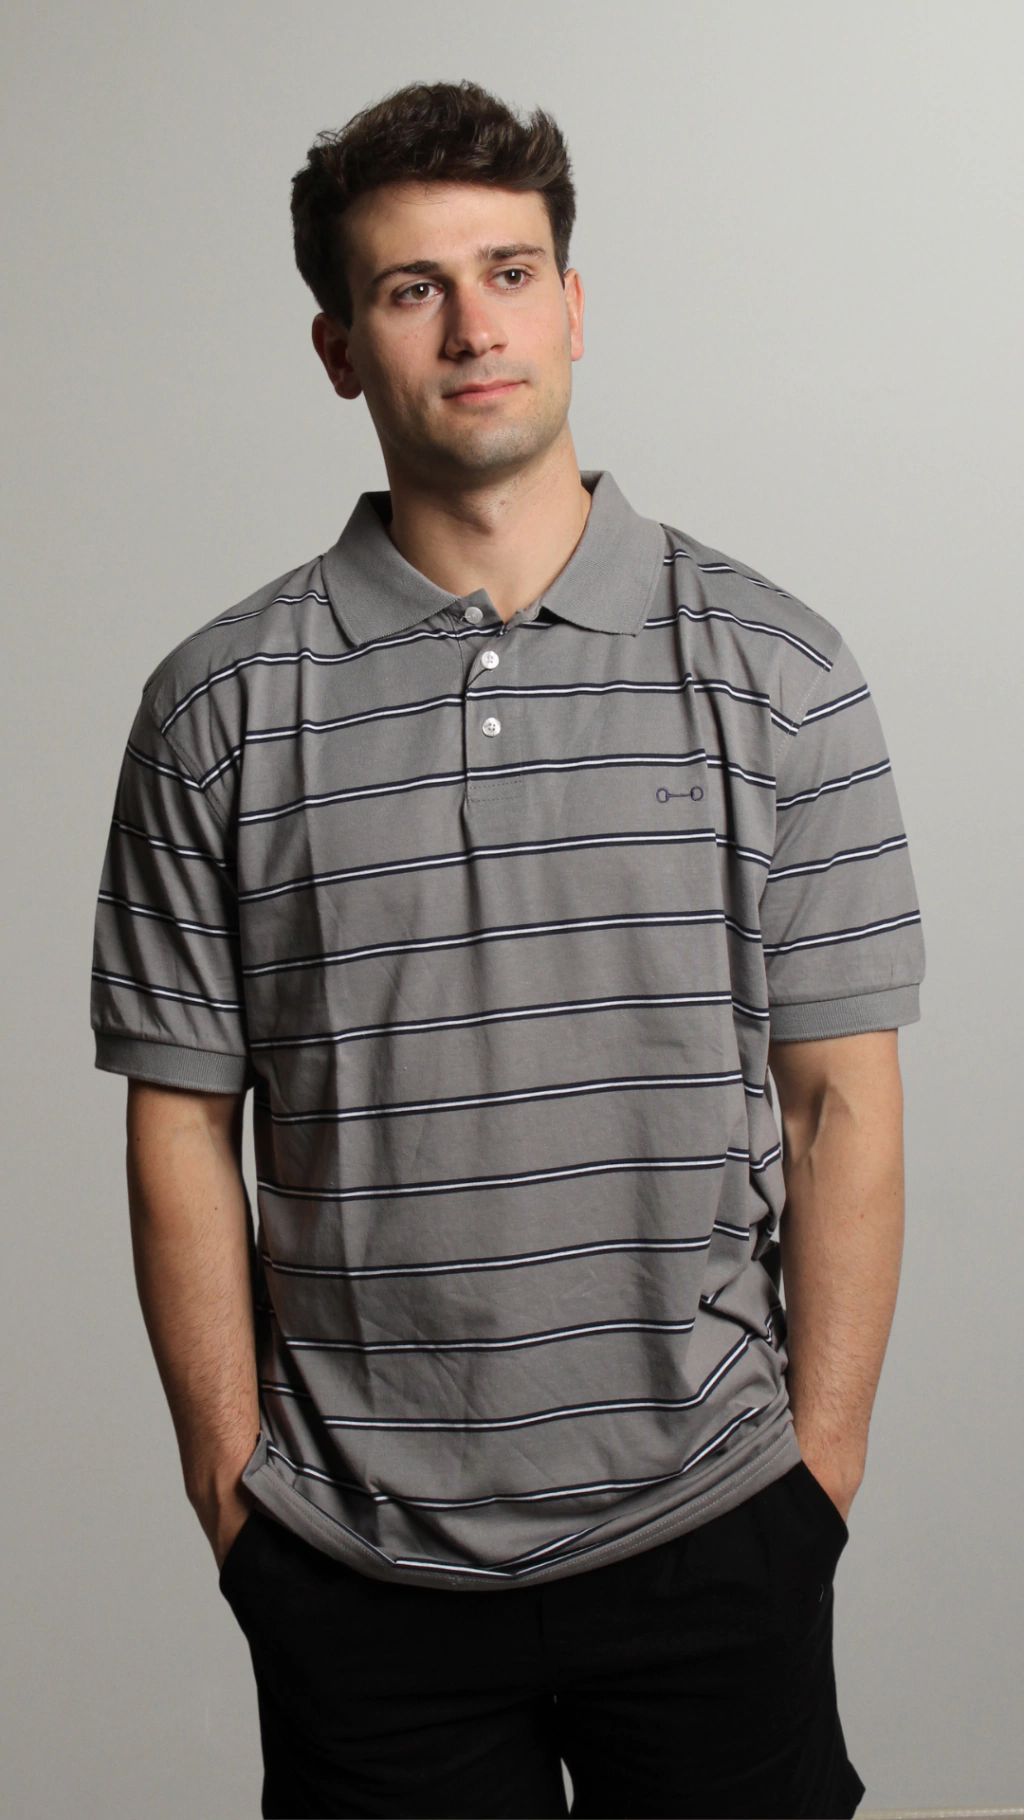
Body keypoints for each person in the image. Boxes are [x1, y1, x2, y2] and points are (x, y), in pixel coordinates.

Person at [91, 80, 924, 1819]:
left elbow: (840, 1102)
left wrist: (820, 1478)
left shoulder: (782, 670)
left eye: (510, 272)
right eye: (414, 289)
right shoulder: (215, 710)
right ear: (340, 349)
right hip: (355, 1566)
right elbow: (180, 1121)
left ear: (573, 303)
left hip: (716, 1529)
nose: (475, 327)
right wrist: (234, 1500)